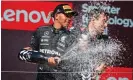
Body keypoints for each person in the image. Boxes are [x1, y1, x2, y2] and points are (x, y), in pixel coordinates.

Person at [18, 4, 78, 80]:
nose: (70, 18)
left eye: (71, 16)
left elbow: (75, 60)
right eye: (67, 15)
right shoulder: (41, 31)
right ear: (56, 16)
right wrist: (46, 59)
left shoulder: (71, 36)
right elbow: (26, 54)